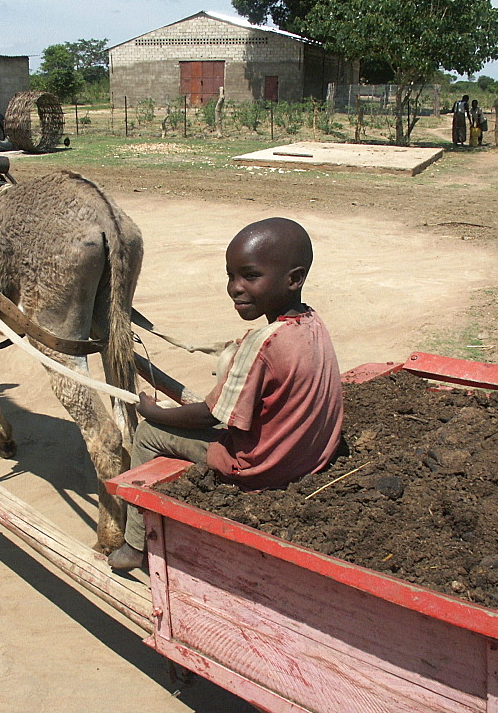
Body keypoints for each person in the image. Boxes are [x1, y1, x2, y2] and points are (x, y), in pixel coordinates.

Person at [108, 217, 344, 570]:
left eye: (250, 276)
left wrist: (152, 412)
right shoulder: (312, 324)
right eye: (231, 276)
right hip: (308, 456)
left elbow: (209, 415)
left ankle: (134, 544)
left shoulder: (263, 343)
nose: (235, 287)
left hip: (259, 468)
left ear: (293, 279)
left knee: (148, 435)